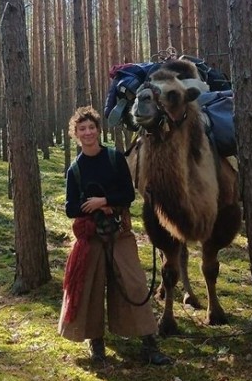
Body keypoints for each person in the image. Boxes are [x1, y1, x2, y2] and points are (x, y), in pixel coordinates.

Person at [58, 105, 172, 366]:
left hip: (120, 232)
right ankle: (95, 344)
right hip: (91, 238)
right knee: (91, 289)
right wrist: (92, 207)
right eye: (82, 129)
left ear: (98, 130)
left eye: (91, 127)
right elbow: (70, 208)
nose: (87, 133)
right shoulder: (74, 170)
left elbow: (128, 194)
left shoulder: (114, 158)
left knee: (133, 284)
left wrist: (105, 201)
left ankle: (148, 342)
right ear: (75, 133)